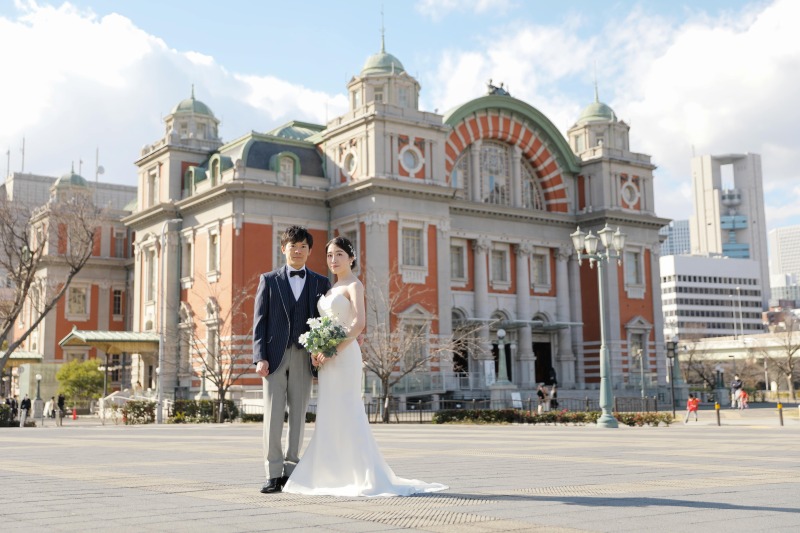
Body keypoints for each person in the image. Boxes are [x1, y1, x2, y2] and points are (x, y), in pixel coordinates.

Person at [283, 236, 447, 497]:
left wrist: (332, 349)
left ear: (351, 258)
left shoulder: (354, 286)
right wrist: (316, 350)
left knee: (348, 409)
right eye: (329, 256)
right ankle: (330, 473)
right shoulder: (328, 290)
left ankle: (361, 473)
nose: (333, 260)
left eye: (338, 254)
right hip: (327, 361)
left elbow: (359, 323)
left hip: (345, 356)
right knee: (328, 412)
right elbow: (321, 325)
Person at [253, 226, 331, 494]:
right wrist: (259, 357)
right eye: (292, 246)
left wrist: (321, 351)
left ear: (309, 251)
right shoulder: (269, 280)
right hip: (274, 357)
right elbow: (259, 323)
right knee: (273, 415)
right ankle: (273, 473)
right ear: (283, 248)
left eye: (303, 247)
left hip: (304, 356)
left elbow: (325, 322)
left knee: (298, 414)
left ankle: (292, 470)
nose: (297, 251)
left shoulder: (322, 282)